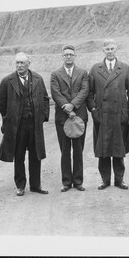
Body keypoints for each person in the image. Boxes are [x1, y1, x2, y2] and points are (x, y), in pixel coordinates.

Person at [0, 52, 50, 196]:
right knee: (18, 156)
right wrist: (8, 120)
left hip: (34, 124)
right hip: (17, 126)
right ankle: (20, 185)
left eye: (22, 63)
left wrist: (43, 117)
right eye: (17, 63)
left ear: (28, 64)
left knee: (35, 155)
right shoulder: (7, 81)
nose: (19, 65)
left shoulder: (38, 79)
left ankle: (35, 185)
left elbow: (45, 98)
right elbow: (1, 103)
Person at [87, 39, 129, 190]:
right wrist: (94, 110)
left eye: (112, 49)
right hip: (102, 115)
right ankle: (105, 180)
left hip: (119, 115)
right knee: (103, 150)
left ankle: (119, 180)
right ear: (103, 50)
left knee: (118, 149)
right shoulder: (96, 69)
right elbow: (89, 93)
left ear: (116, 50)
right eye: (107, 49)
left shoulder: (125, 68)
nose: (110, 51)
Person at [50, 45, 89, 192]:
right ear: (62, 56)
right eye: (66, 54)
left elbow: (84, 91)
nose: (68, 57)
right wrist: (67, 108)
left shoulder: (83, 73)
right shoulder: (55, 74)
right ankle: (66, 182)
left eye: (71, 54)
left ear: (75, 56)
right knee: (65, 150)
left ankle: (78, 181)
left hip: (79, 116)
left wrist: (72, 105)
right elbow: (55, 93)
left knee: (78, 150)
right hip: (62, 117)